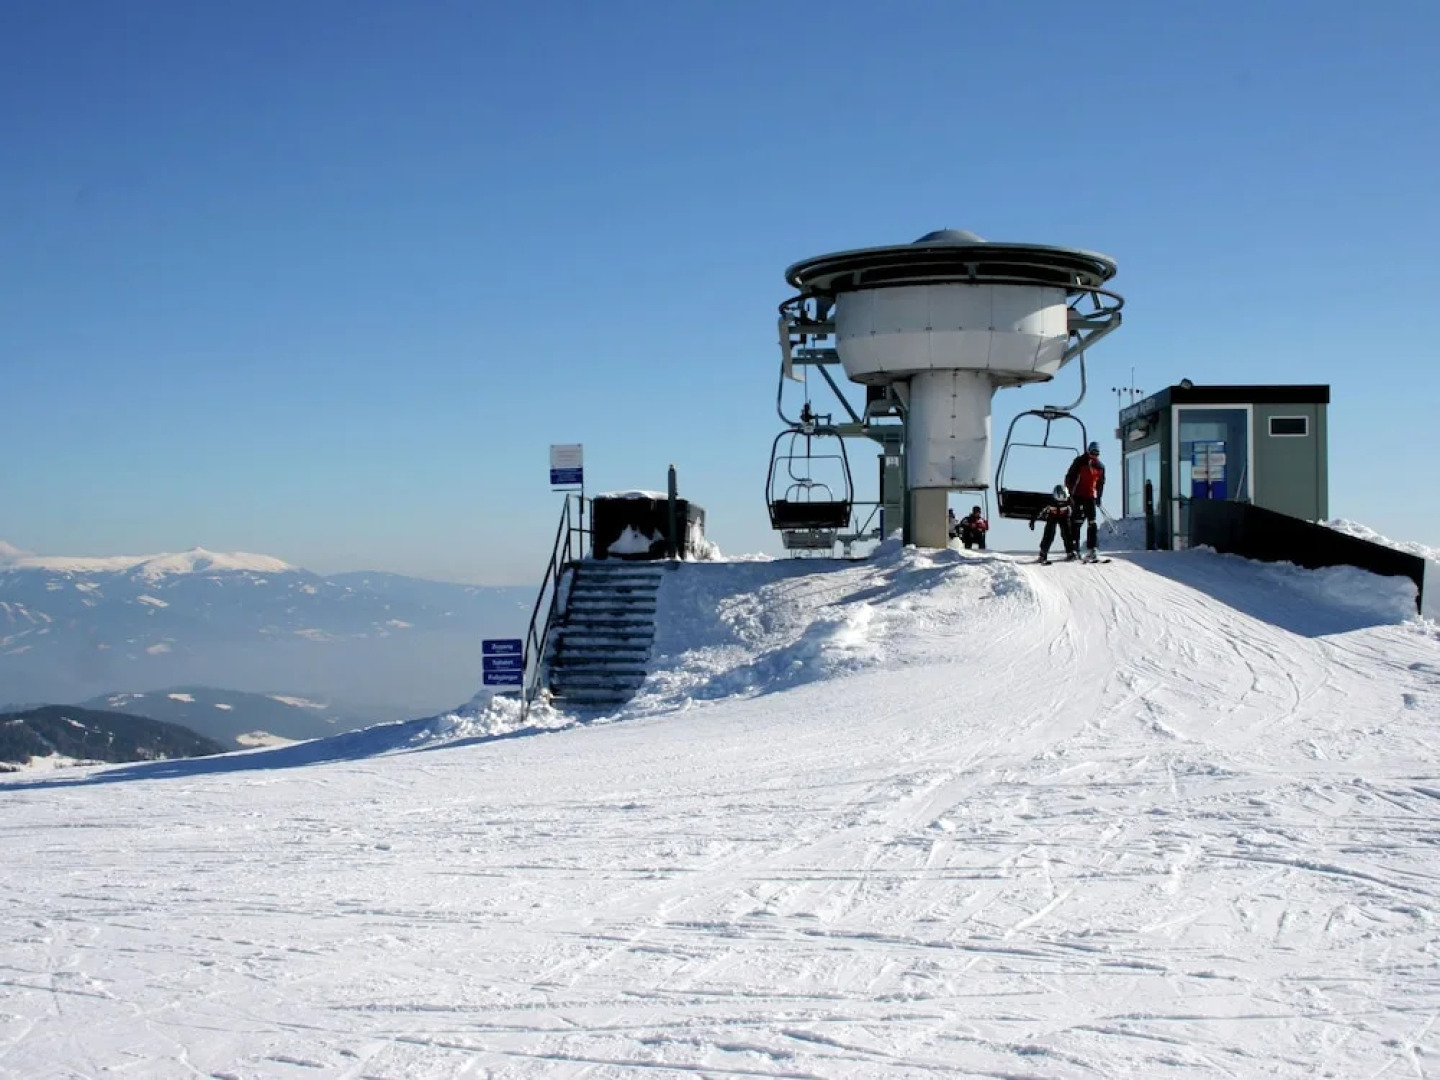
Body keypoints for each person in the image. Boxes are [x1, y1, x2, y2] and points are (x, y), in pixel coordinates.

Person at [1064, 440, 1107, 561]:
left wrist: (1099, 497)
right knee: (1076, 521)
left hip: (1090, 496)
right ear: (1089, 450)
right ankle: (1074, 548)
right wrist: (1070, 492)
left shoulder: (1100, 466)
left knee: (1092, 522)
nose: (1094, 455)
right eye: (1093, 452)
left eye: (1097, 453)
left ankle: (1092, 548)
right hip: (1077, 495)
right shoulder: (1080, 461)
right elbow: (1069, 476)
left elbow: (1100, 483)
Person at [1030, 485, 1077, 564]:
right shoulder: (1049, 501)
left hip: (1064, 517)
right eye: (1059, 501)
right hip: (1052, 517)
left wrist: (1075, 521)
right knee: (1049, 533)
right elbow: (1040, 511)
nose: (1061, 503)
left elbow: (1074, 512)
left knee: (1067, 533)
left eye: (1063, 501)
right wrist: (1033, 520)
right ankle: (1043, 553)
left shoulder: (1069, 501)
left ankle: (1070, 552)